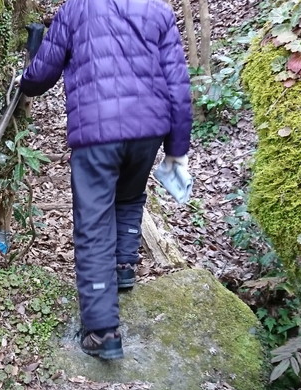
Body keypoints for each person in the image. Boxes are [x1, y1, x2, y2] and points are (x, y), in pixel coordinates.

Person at [19, 0, 193, 361]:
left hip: (96, 131)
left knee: (94, 224)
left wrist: (25, 78)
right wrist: (177, 149)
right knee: (129, 195)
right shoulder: (159, 12)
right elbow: (178, 86)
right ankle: (123, 267)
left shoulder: (75, 10)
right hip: (148, 130)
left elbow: (42, 75)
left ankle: (102, 331)